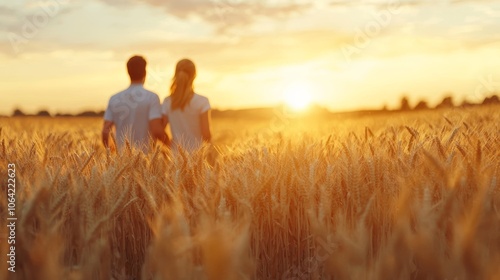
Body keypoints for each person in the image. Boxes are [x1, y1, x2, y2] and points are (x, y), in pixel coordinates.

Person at [102, 55, 169, 152]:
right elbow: (157, 131)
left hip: (120, 158)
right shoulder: (151, 97)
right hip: (146, 158)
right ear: (145, 72)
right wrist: (172, 146)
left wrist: (110, 152)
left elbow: (105, 131)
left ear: (128, 72)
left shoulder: (114, 98)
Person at [162, 59, 212, 152]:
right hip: (197, 158)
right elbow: (206, 135)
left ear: (176, 74)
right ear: (194, 76)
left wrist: (169, 144)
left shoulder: (167, 101)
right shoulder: (202, 101)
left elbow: (160, 130)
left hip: (174, 158)